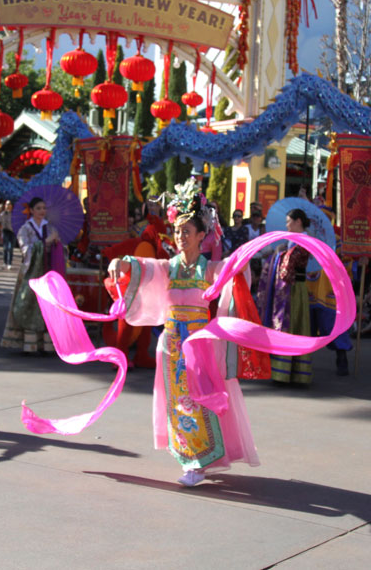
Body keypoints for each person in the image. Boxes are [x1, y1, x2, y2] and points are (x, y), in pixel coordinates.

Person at [106, 181, 259, 486]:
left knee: (200, 400)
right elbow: (144, 268)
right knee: (177, 401)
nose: (180, 236)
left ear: (202, 236)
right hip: (172, 344)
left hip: (200, 347)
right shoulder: (169, 267)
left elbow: (232, 271)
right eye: (177, 231)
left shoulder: (210, 269)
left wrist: (242, 262)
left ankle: (199, 462)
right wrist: (121, 262)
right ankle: (190, 459)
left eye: (186, 231)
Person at [2, 196, 66, 354]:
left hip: (47, 270)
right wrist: (45, 243)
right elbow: (26, 250)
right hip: (31, 272)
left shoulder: (50, 228)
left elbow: (60, 250)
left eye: (44, 208)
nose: (42, 211)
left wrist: (57, 244)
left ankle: (46, 344)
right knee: (28, 304)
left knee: (48, 306)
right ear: (31, 210)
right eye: (38, 208)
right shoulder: (25, 229)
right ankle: (29, 343)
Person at [257, 208, 313, 386]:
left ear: (298, 222)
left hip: (296, 289)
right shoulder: (292, 241)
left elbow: (289, 266)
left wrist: (280, 254)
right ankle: (283, 372)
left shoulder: (305, 241)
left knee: (295, 325)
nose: (287, 225)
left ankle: (295, 373)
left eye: (289, 222)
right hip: (288, 289)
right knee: (286, 325)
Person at [0, 201, 15, 267]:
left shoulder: (14, 214)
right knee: (5, 248)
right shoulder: (2, 214)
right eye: (7, 204)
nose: (8, 206)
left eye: (9, 204)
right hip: (5, 231)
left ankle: (9, 263)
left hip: (12, 232)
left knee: (10, 248)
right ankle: (5, 262)